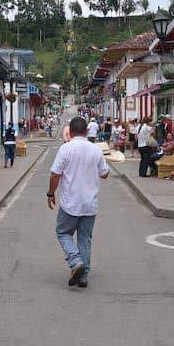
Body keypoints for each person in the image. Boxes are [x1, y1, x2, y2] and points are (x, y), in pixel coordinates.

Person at [47, 117, 110, 288]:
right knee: (85, 239)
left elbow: (55, 174)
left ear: (72, 132)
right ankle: (83, 276)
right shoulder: (96, 150)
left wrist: (51, 193)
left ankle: (75, 262)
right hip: (90, 205)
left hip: (70, 204)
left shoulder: (66, 149)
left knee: (63, 232)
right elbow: (104, 174)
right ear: (87, 131)